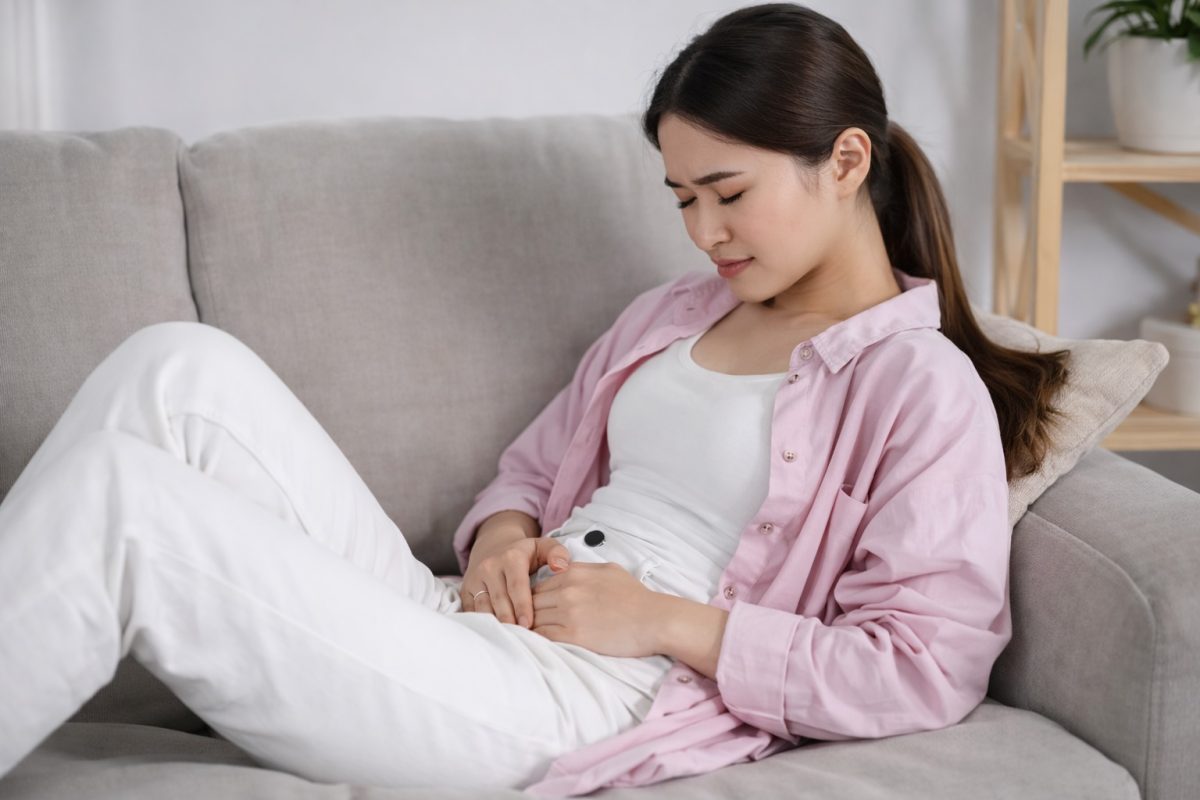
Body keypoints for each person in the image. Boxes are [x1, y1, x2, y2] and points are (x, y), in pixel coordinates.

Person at [0, 3, 1071, 798]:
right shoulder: (670, 315)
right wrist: (503, 539)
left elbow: (927, 667)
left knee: (124, 503)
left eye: (730, 193)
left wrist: (663, 619)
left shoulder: (917, 386)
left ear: (846, 162)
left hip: (581, 697)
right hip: (469, 620)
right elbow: (525, 472)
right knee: (176, 364)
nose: (706, 233)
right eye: (685, 199)